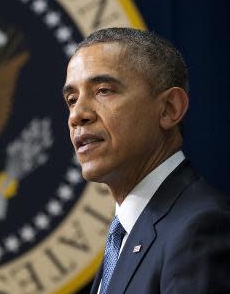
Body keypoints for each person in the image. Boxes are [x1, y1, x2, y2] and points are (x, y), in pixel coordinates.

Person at [62, 27, 230, 294]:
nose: (77, 115)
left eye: (103, 91)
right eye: (72, 99)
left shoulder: (199, 229)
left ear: (169, 109)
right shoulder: (125, 237)